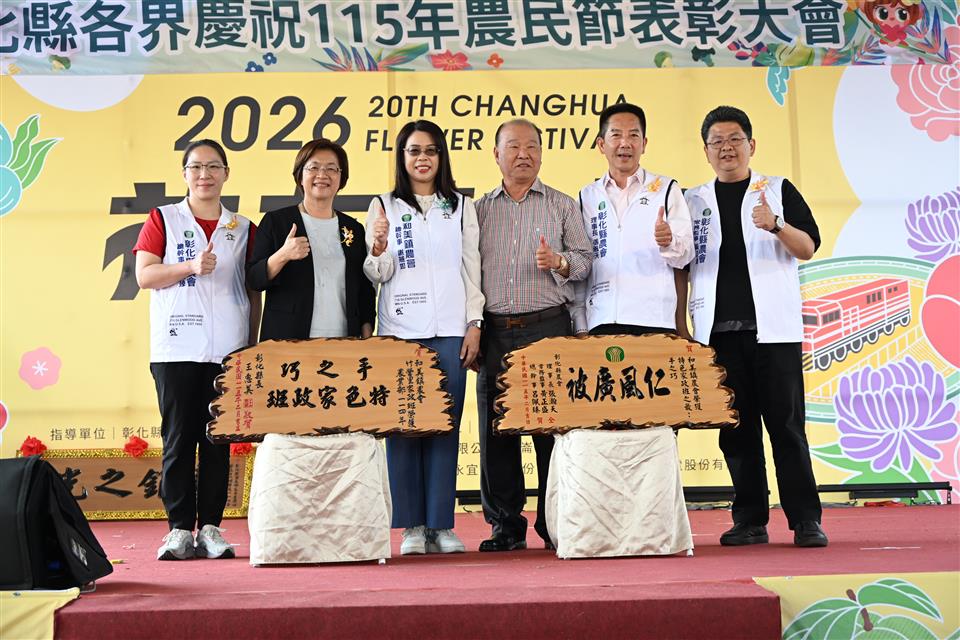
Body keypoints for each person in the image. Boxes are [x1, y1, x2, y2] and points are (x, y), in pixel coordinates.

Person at [679, 106, 828, 548]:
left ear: (751, 145)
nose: (726, 148)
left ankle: (805, 519)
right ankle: (749, 519)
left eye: (735, 139)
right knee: (736, 432)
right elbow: (679, 264)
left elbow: (808, 247)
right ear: (706, 151)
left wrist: (776, 225)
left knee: (786, 428)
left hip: (774, 333)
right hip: (718, 334)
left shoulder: (777, 190)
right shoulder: (691, 200)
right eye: (717, 142)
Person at [134, 139, 261, 561]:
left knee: (216, 441)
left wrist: (250, 344)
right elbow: (145, 275)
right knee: (178, 439)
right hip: (176, 347)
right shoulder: (164, 218)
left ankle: (210, 527)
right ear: (184, 173)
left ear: (226, 174)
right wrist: (189, 266)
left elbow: (253, 290)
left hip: (227, 349)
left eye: (213, 167)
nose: (204, 175)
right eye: (196, 167)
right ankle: (177, 529)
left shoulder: (242, 227)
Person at [364, 120, 484, 555]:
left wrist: (474, 323)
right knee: (404, 429)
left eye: (430, 151)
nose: (422, 158)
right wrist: (378, 249)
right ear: (402, 157)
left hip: (450, 331)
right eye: (414, 151)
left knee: (444, 428)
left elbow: (472, 268)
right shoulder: (384, 205)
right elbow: (377, 274)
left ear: (441, 157)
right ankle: (411, 527)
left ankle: (441, 525)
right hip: (401, 334)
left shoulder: (461, 206)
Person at [475, 118, 593, 552]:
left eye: (532, 147)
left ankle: (553, 522)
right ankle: (505, 526)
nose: (523, 154)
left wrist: (559, 262)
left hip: (547, 327)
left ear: (542, 153)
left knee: (550, 432)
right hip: (495, 330)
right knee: (497, 433)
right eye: (513, 146)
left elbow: (585, 260)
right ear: (496, 154)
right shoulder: (478, 210)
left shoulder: (562, 205)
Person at [572, 102, 693, 337]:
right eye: (616, 135)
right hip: (602, 320)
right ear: (601, 144)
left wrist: (669, 241)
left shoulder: (666, 189)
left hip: (655, 319)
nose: (625, 143)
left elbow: (686, 256)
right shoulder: (586, 196)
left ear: (644, 144)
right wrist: (580, 325)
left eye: (633, 135)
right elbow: (581, 263)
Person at [246, 138, 375, 342]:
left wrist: (367, 338)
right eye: (313, 167)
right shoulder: (277, 222)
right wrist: (283, 255)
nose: (322, 175)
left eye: (331, 168)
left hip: (343, 342)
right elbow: (254, 279)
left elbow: (364, 290)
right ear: (300, 175)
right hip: (288, 341)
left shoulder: (353, 229)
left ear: (341, 178)